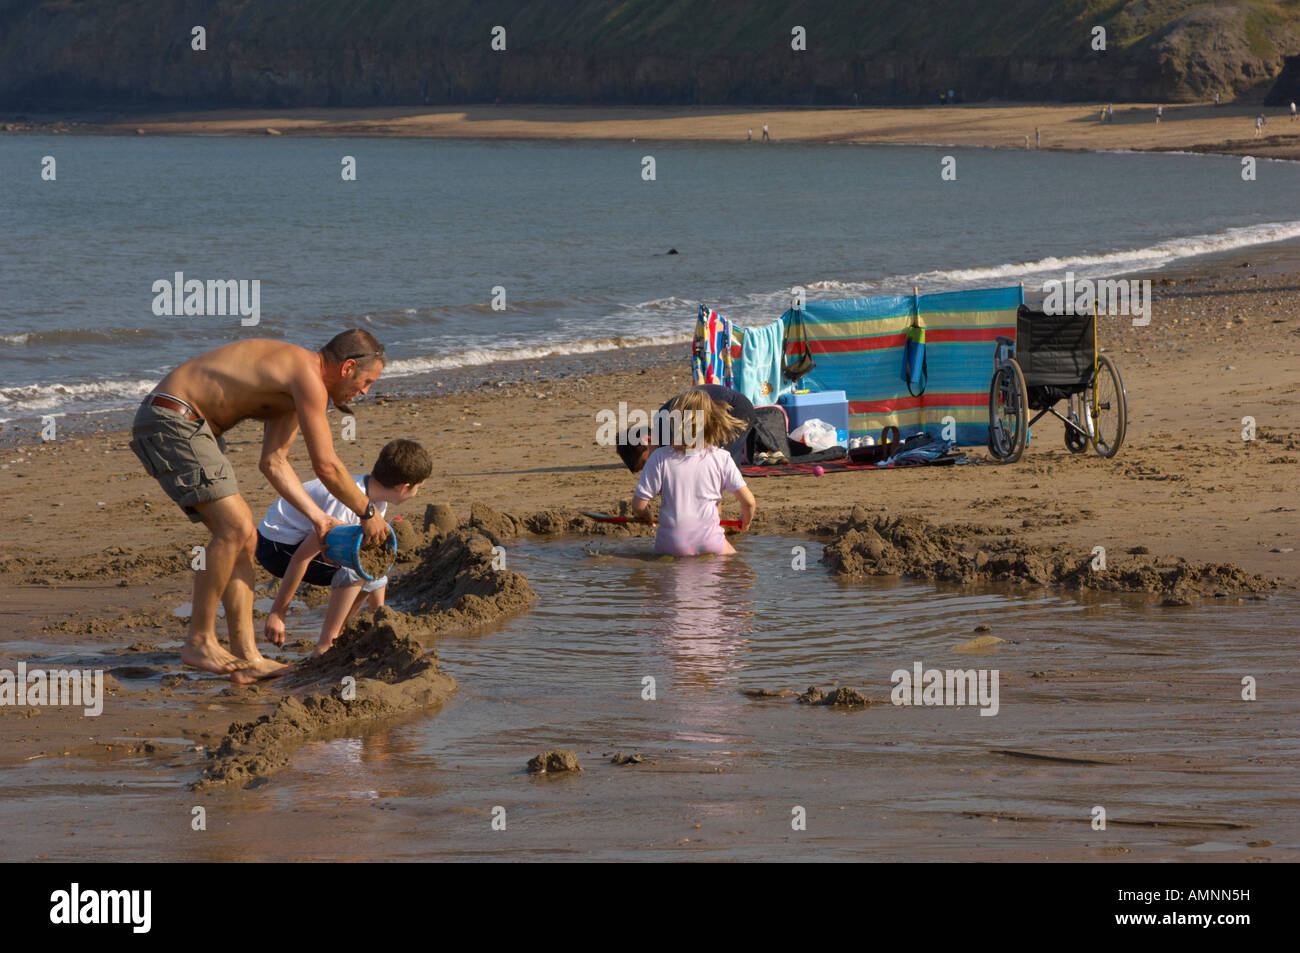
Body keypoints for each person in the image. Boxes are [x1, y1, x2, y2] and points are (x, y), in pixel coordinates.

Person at [129, 329, 390, 682]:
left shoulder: (295, 387)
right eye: (367, 381)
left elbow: (273, 462)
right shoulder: (307, 376)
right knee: (235, 528)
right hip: (173, 419)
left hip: (192, 426)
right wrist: (368, 512)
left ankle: (248, 658)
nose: (364, 392)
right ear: (347, 368)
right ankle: (200, 639)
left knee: (245, 538)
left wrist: (320, 519)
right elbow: (326, 465)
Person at [259, 439, 430, 656]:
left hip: (300, 543)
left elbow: (378, 565)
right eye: (419, 487)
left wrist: (380, 616)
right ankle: (325, 645)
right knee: (355, 567)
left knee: (370, 563)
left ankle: (338, 633)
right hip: (276, 546)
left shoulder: (377, 501)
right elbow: (300, 558)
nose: (418, 492)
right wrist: (277, 613)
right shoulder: (343, 507)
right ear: (404, 487)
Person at [630, 388, 756, 556]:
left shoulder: (659, 457)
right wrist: (745, 521)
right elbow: (749, 503)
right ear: (713, 421)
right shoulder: (721, 457)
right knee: (737, 565)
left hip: (670, 544)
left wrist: (644, 515)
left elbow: (638, 504)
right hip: (709, 541)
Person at [616, 384, 756, 473]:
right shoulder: (662, 428)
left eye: (647, 462)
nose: (651, 465)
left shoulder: (668, 429)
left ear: (647, 440)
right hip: (713, 416)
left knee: (721, 464)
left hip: (735, 411)